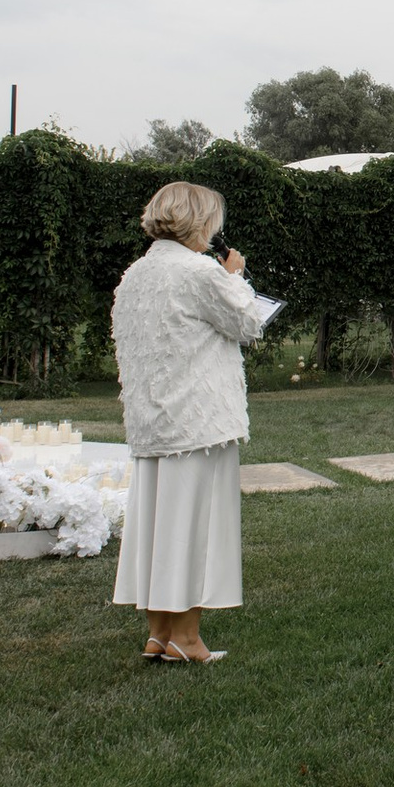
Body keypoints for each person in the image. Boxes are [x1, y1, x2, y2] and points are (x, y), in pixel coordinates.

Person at [112, 181, 270, 665]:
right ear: (200, 221)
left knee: (158, 526)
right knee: (192, 527)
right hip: (196, 418)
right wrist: (234, 275)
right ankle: (186, 638)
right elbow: (248, 323)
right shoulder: (199, 272)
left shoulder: (136, 273)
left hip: (151, 418)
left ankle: (158, 633)